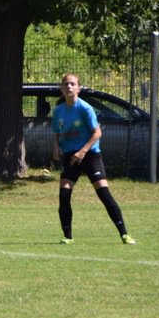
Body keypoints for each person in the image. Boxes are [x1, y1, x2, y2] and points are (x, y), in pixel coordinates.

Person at [52, 73, 136, 245]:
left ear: (78, 88)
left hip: (90, 155)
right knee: (64, 194)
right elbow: (56, 132)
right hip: (70, 156)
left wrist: (83, 151)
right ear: (61, 88)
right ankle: (67, 237)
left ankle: (124, 234)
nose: (69, 87)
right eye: (66, 84)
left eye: (72, 84)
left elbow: (97, 132)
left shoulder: (85, 108)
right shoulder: (58, 111)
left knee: (104, 194)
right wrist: (56, 146)